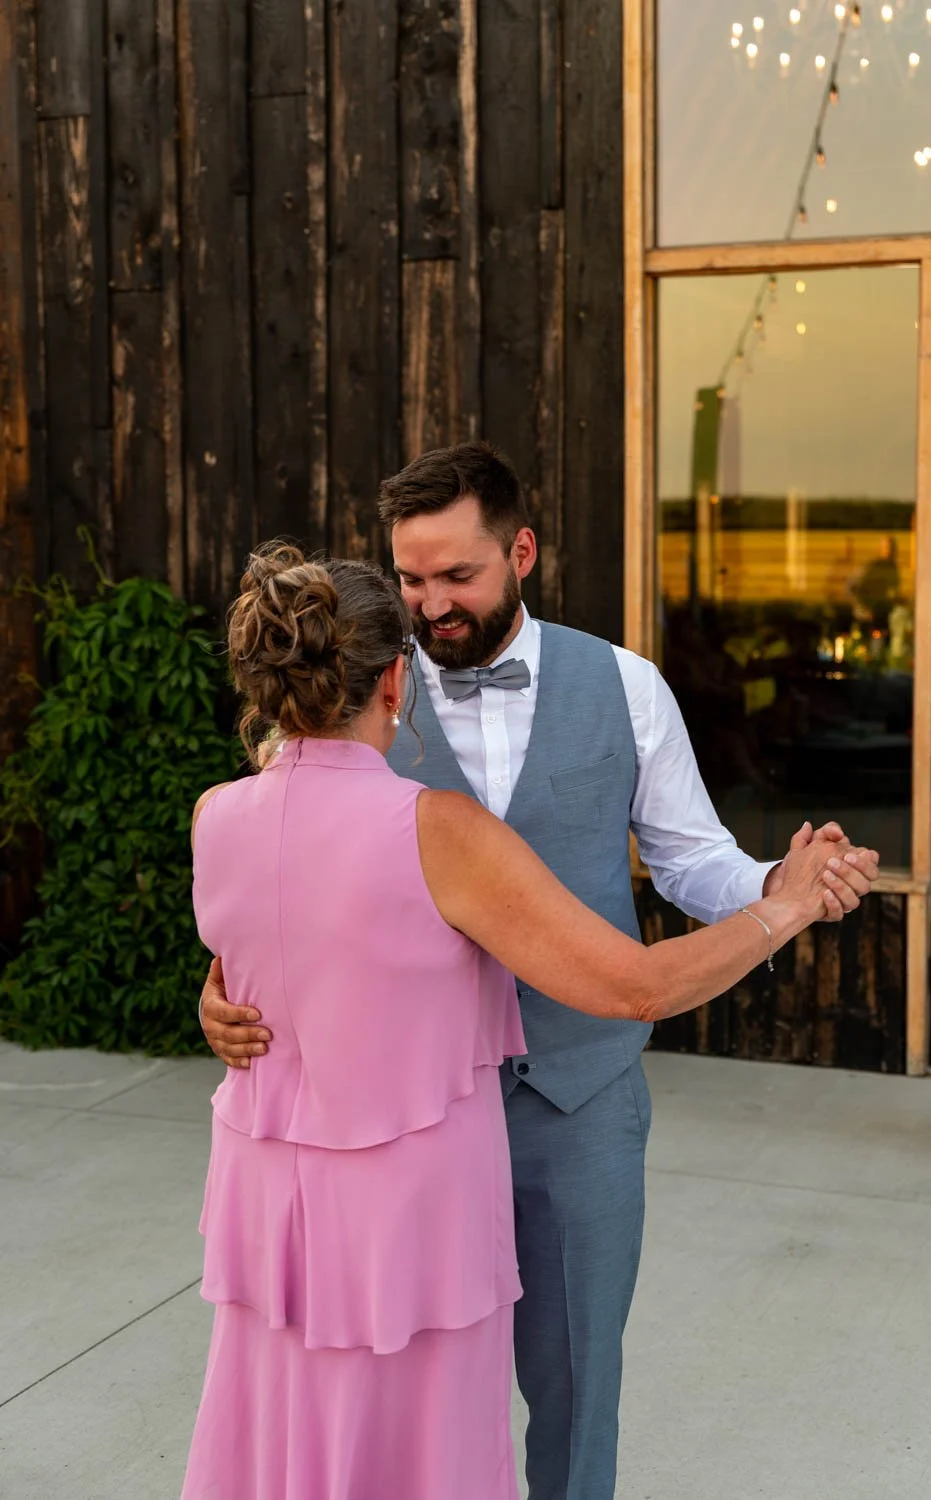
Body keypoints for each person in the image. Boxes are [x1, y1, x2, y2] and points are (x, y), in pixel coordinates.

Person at [201, 446, 880, 1500]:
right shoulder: (355, 688)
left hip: (578, 1098)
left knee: (574, 1390)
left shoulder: (624, 685)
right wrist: (224, 988)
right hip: (406, 1128)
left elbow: (689, 858)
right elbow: (294, 871)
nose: (432, 605)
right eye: (411, 578)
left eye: (457, 576)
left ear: (520, 551)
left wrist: (775, 884)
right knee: (418, 1398)